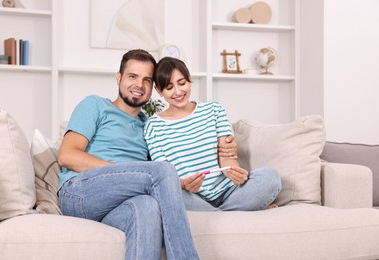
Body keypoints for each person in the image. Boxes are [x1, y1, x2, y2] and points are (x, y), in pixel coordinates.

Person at [57, 50, 204, 260]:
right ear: (119, 78)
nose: (139, 85)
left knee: (147, 207)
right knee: (162, 171)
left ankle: (226, 208)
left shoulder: (149, 125)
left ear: (153, 88)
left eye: (147, 80)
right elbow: (67, 156)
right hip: (79, 193)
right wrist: (120, 171)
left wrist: (222, 147)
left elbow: (157, 178)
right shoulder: (95, 105)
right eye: (132, 76)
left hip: (119, 203)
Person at [143, 57, 282, 211]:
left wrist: (234, 172)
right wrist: (183, 184)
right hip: (192, 197)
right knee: (166, 193)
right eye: (169, 87)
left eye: (182, 83)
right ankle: (237, 213)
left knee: (270, 177)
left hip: (229, 192)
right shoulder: (153, 126)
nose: (178, 91)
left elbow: (227, 157)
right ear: (158, 90)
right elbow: (165, 174)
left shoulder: (214, 110)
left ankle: (216, 216)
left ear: (189, 80)